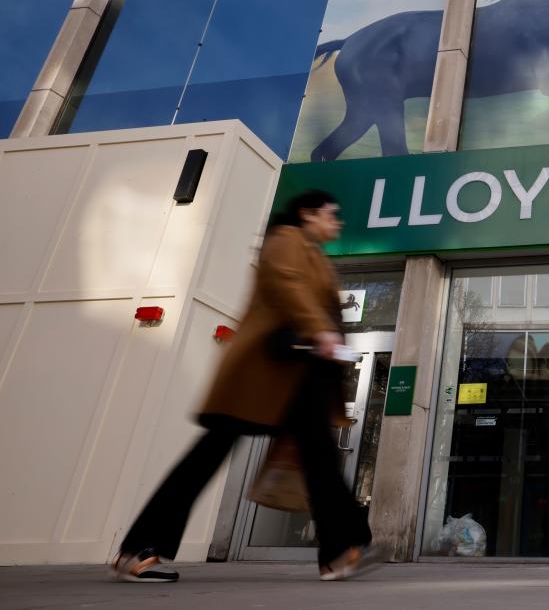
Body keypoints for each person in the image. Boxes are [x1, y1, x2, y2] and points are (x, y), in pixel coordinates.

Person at [110, 189, 380, 583]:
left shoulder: (311, 251)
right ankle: (138, 550)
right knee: (207, 458)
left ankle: (342, 550)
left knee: (319, 458)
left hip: (292, 377)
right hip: (263, 375)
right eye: (331, 215)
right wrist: (321, 330)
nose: (336, 222)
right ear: (307, 214)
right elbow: (288, 286)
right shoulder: (286, 241)